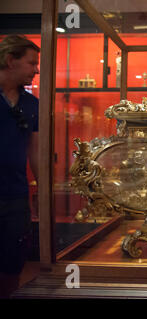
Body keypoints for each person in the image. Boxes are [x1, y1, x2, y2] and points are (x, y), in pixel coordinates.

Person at [0, 35, 40, 298]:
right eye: (31, 63)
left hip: (15, 197)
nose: (36, 69)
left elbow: (36, 151)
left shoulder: (31, 103)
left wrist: (45, 194)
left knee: (12, 262)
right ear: (10, 60)